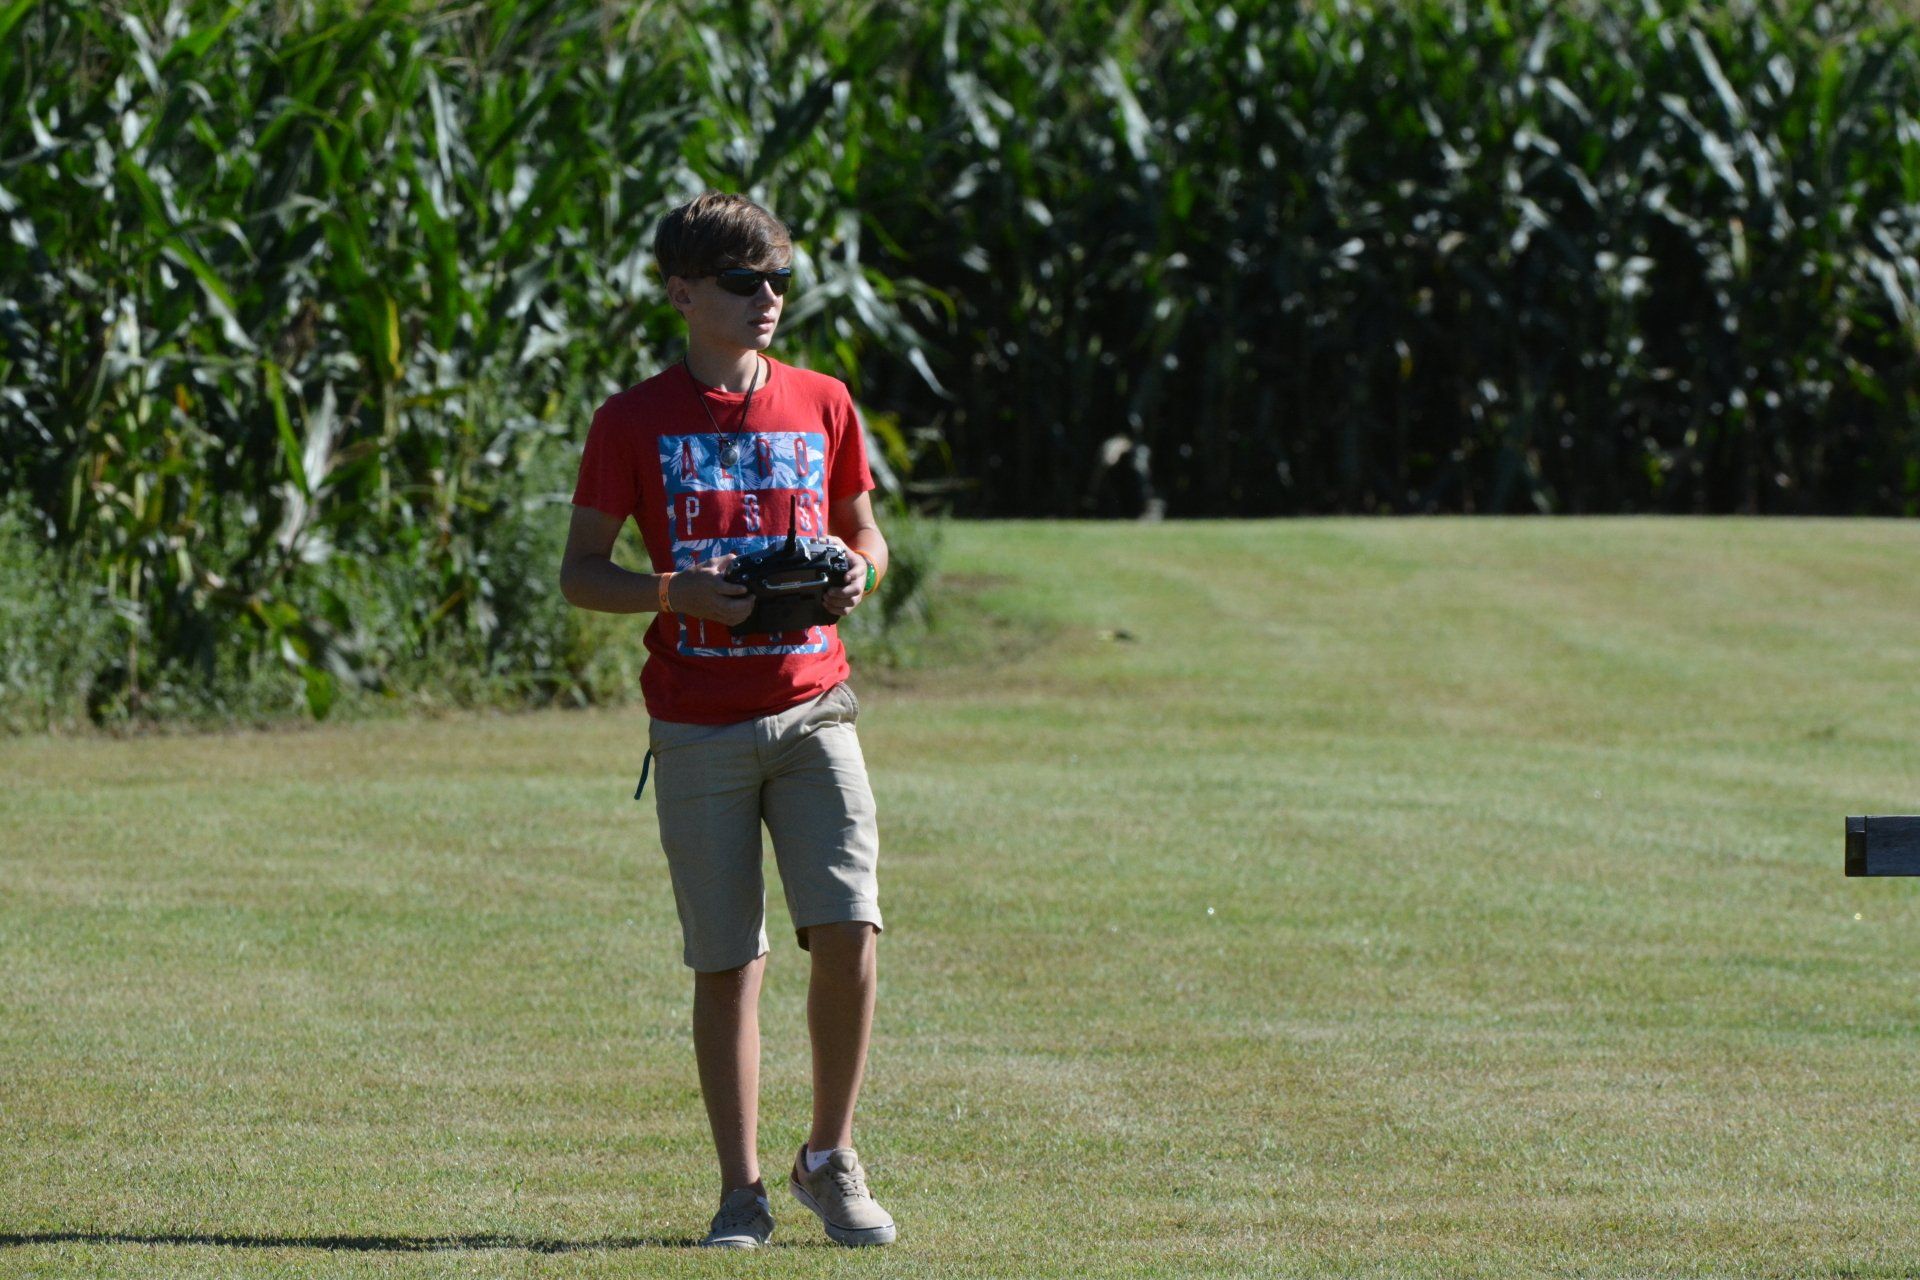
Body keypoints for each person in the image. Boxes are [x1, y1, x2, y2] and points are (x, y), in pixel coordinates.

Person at [559, 192, 896, 1249]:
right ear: (682, 293)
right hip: (697, 726)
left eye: (779, 279)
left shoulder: (824, 400)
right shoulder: (631, 420)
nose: (768, 298)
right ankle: (741, 1191)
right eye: (743, 281)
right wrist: (675, 593)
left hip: (814, 705)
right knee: (728, 961)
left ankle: (829, 1160)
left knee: (850, 929)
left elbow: (867, 534)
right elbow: (580, 572)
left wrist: (859, 573)